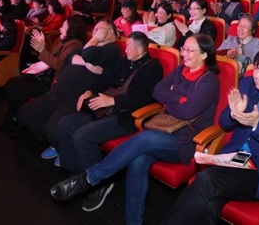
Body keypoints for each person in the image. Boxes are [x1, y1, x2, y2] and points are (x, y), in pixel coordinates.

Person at [50, 34, 221, 225]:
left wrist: (170, 101)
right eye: (183, 49)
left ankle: (89, 178)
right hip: (164, 129)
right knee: (137, 161)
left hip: (186, 140)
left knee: (145, 138)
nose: (184, 53)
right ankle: (133, 221)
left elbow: (187, 111)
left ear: (204, 55)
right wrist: (177, 99)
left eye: (190, 50)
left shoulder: (209, 81)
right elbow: (158, 91)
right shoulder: (181, 69)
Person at [162, 47, 259, 225]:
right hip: (233, 159)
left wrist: (257, 125)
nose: (256, 75)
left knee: (206, 180)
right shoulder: (247, 84)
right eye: (256, 68)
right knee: (209, 204)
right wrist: (234, 114)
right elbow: (224, 124)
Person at [55, 32, 163, 211]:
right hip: (104, 109)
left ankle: (98, 183)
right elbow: (105, 80)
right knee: (65, 124)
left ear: (139, 50)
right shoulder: (123, 62)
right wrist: (89, 91)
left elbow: (143, 98)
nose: (125, 50)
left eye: (129, 47)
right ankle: (78, 175)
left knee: (82, 136)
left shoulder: (152, 67)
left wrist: (113, 101)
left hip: (126, 116)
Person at [17, 19, 121, 161]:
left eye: (99, 30)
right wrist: (87, 64)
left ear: (109, 32)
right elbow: (70, 57)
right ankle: (57, 143)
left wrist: (93, 42)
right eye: (94, 30)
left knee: (52, 128)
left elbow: (88, 54)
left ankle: (63, 147)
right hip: (59, 93)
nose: (95, 33)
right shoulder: (91, 45)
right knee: (26, 113)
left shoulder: (112, 49)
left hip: (77, 98)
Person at [0, 16, 87, 132]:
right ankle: (13, 118)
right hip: (45, 74)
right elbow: (51, 56)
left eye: (63, 27)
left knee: (17, 87)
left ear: (72, 30)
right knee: (13, 83)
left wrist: (41, 50)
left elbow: (59, 64)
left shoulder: (74, 45)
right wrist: (42, 45)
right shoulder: (63, 41)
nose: (60, 29)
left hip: (53, 81)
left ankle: (15, 120)